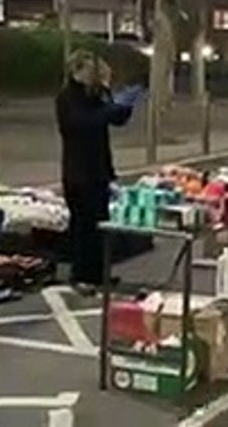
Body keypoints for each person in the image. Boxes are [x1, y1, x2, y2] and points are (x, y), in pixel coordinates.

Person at [56, 51, 145, 296]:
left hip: (99, 170)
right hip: (79, 172)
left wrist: (123, 103)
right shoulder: (67, 98)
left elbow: (115, 119)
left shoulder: (92, 96)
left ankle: (97, 274)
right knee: (83, 226)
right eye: (91, 72)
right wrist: (110, 106)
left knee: (100, 226)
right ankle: (81, 274)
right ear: (77, 71)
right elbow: (83, 123)